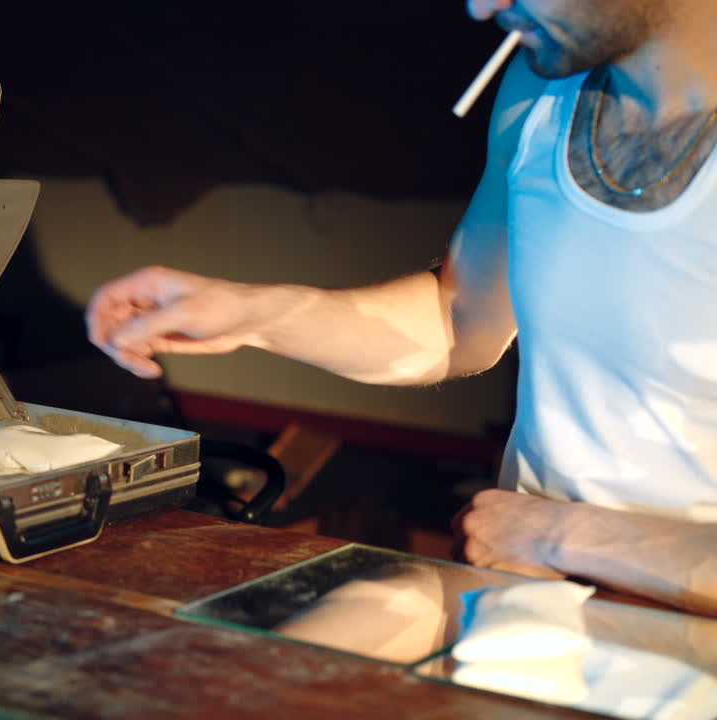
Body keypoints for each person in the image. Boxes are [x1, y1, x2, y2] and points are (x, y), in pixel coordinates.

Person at [84, 0, 717, 616]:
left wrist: (558, 534)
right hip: (525, 594)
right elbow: (459, 321)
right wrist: (257, 313)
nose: (482, 8)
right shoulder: (540, 90)